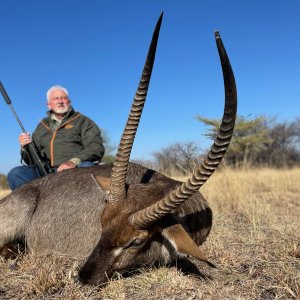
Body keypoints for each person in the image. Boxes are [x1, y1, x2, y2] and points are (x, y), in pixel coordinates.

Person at [7, 85, 105, 190]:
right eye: (56, 98)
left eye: (63, 98)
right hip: (46, 173)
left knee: (87, 167)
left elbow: (96, 147)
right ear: (48, 104)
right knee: (16, 173)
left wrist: (73, 162)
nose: (60, 101)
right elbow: (30, 160)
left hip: (75, 169)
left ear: (69, 102)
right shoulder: (41, 126)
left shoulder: (83, 121)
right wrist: (24, 147)